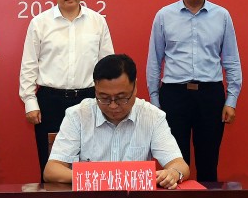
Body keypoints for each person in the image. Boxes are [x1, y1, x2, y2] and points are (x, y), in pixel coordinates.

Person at [146, 0, 241, 182]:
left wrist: (231, 100)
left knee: (209, 160)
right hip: (174, 95)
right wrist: (155, 101)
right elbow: (154, 61)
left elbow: (231, 61)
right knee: (174, 160)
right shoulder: (164, 16)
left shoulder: (222, 16)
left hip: (210, 95)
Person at [19, 0, 115, 179]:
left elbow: (107, 65)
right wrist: (30, 102)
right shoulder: (40, 23)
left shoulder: (97, 22)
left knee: (91, 160)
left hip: (88, 100)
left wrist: (107, 101)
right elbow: (29, 65)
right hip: (50, 101)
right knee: (52, 164)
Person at [45, 54, 190, 189]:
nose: (113, 106)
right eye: (104, 98)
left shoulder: (152, 117)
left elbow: (179, 165)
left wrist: (173, 173)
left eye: (121, 98)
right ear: (95, 89)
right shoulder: (77, 115)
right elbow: (52, 170)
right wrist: (100, 179)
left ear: (135, 87)